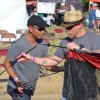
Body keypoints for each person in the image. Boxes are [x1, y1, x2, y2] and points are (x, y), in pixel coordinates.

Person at [17, 10, 100, 100]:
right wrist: (32, 59)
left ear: (79, 25)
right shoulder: (65, 42)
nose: (67, 31)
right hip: (68, 93)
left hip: (89, 93)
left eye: (69, 27)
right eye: (66, 28)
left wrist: (79, 48)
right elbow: (53, 60)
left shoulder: (94, 39)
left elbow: (97, 57)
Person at [4, 15, 48, 100]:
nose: (43, 32)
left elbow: (47, 64)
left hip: (29, 88)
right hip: (17, 87)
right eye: (40, 29)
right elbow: (6, 63)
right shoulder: (18, 44)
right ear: (30, 29)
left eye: (44, 29)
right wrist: (17, 80)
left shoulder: (43, 44)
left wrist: (62, 68)